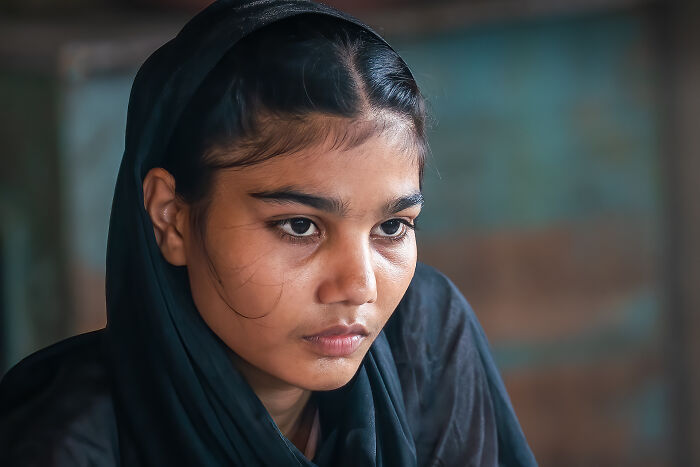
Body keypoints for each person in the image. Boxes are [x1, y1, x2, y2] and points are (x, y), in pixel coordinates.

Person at [0, 1, 537, 465]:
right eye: (300, 226)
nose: (359, 287)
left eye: (391, 227)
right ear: (173, 217)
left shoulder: (422, 338)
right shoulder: (68, 444)